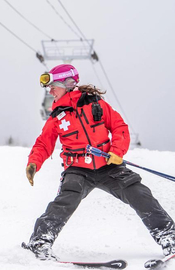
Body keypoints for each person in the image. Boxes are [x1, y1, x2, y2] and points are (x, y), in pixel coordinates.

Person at [23, 64, 175, 260]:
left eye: (54, 86)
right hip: (78, 169)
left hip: (108, 166)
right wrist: (34, 163)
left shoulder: (96, 105)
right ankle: (40, 242)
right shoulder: (57, 117)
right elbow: (43, 143)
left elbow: (120, 127)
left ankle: (168, 236)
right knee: (64, 202)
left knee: (140, 194)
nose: (50, 91)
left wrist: (117, 151)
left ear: (68, 84)